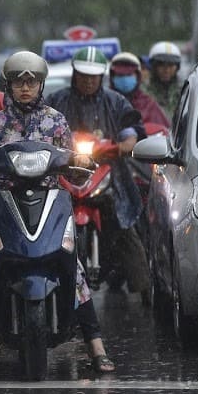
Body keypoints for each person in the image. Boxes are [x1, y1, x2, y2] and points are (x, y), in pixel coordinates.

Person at [0, 51, 116, 377]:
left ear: (41, 85)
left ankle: (96, 346)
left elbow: (74, 173)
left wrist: (82, 163)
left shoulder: (55, 121)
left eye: (31, 82)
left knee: (72, 264)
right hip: (5, 204)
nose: (25, 88)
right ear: (9, 86)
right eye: (19, 82)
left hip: (49, 202)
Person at [47, 46, 150, 301]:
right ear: (74, 74)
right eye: (83, 75)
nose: (89, 80)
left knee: (125, 224)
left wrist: (128, 141)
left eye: (94, 76)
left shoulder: (115, 101)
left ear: (102, 77)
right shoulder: (56, 101)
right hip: (64, 175)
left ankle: (147, 288)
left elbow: (131, 126)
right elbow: (40, 130)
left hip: (108, 175)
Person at [109, 52, 170, 129]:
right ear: (112, 77)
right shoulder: (105, 101)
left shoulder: (148, 104)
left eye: (129, 75)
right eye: (120, 75)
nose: (124, 79)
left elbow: (163, 131)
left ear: (137, 76)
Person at [142, 41, 183, 118]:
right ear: (153, 67)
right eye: (161, 65)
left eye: (171, 65)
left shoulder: (185, 90)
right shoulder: (143, 91)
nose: (166, 70)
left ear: (177, 67)